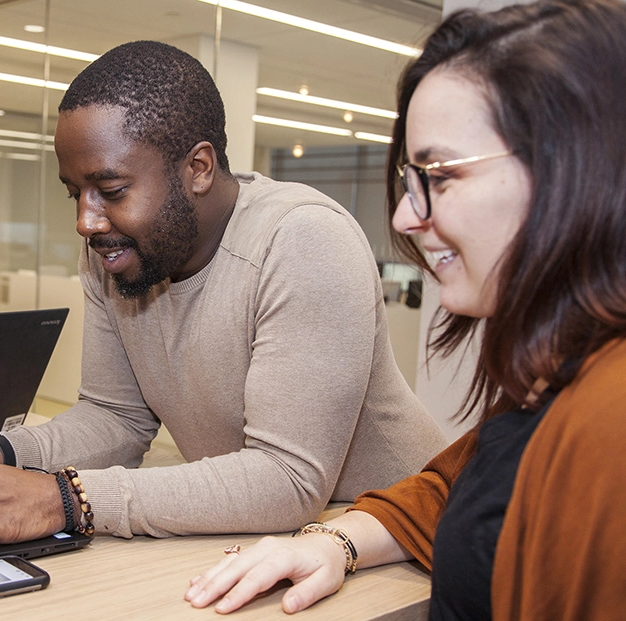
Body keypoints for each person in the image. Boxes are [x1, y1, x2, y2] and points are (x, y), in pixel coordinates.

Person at [0, 41, 444, 553]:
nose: (86, 221)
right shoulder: (116, 252)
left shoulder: (303, 239)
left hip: (394, 541)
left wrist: (66, 498)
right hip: (267, 541)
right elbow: (115, 419)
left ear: (198, 168)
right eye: (74, 192)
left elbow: (287, 480)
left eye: (111, 189)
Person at [185, 1, 626, 617]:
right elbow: (458, 488)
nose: (404, 217)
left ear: (574, 170)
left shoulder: (609, 418)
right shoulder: (558, 372)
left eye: (439, 177)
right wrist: (338, 541)